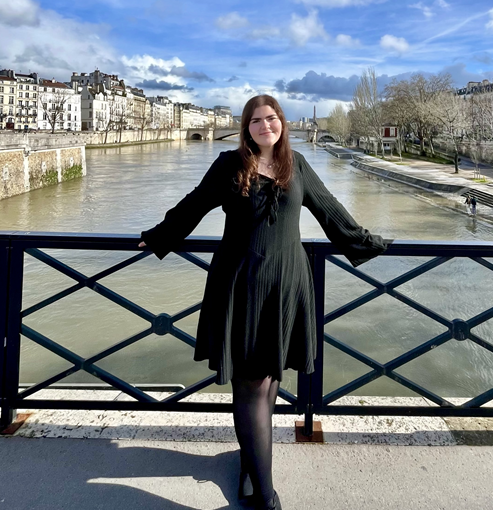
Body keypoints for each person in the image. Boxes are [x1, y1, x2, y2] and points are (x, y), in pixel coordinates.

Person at [139, 94, 388, 510]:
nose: (264, 126)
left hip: (286, 284)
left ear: (282, 123)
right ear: (246, 127)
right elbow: (194, 206)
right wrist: (160, 235)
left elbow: (332, 214)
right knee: (252, 385)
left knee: (270, 378)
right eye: (255, 120)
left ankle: (251, 466)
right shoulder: (228, 165)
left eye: (271, 119)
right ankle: (266, 497)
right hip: (240, 283)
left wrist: (370, 242)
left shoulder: (298, 166)